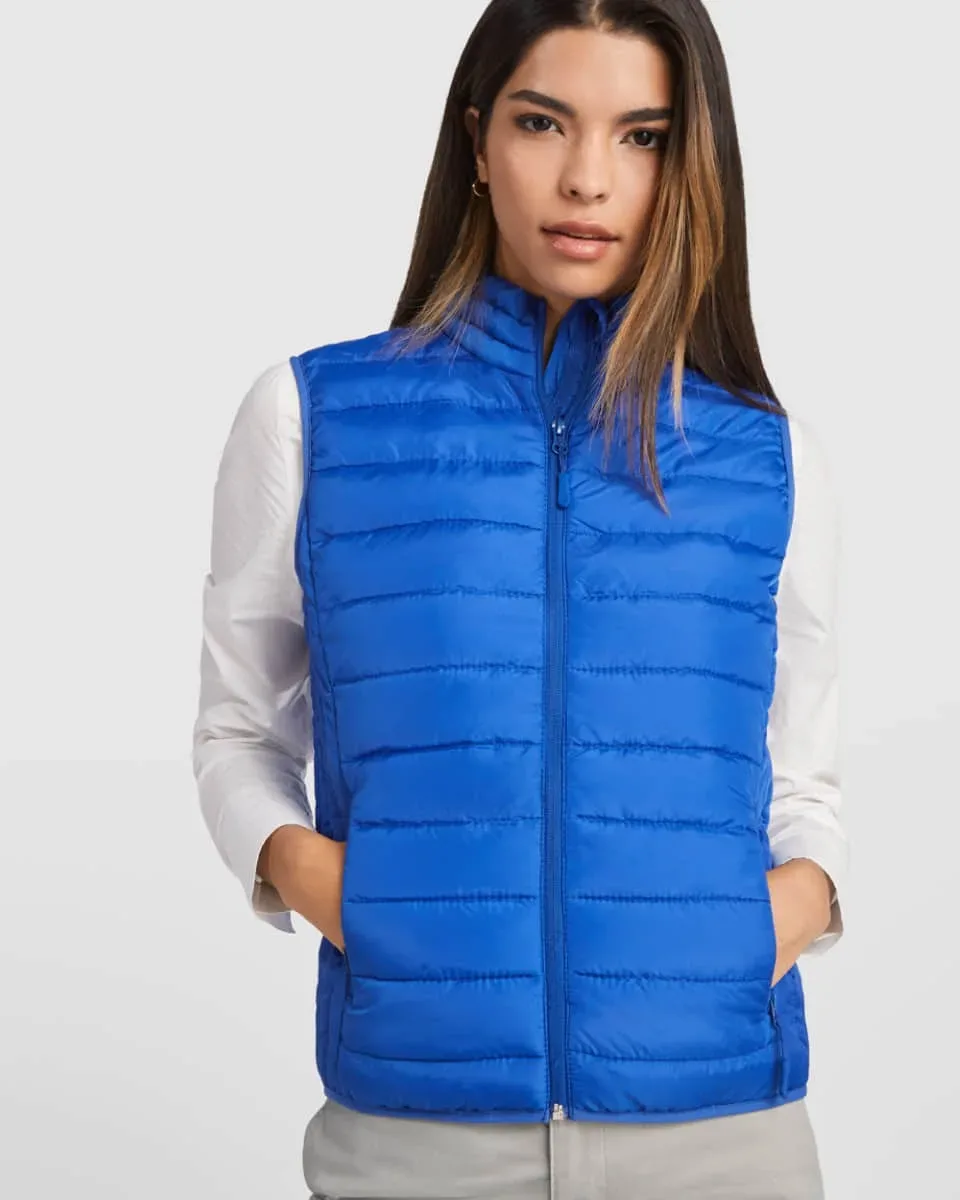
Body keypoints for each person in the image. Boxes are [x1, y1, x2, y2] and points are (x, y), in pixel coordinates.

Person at [191, 1, 848, 1196]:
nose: (588, 178)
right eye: (545, 123)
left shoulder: (763, 455)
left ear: (689, 165)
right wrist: (326, 885)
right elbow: (239, 730)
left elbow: (802, 775)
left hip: (721, 1139)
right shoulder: (313, 418)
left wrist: (786, 910)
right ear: (479, 140)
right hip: (417, 1138)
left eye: (642, 137)